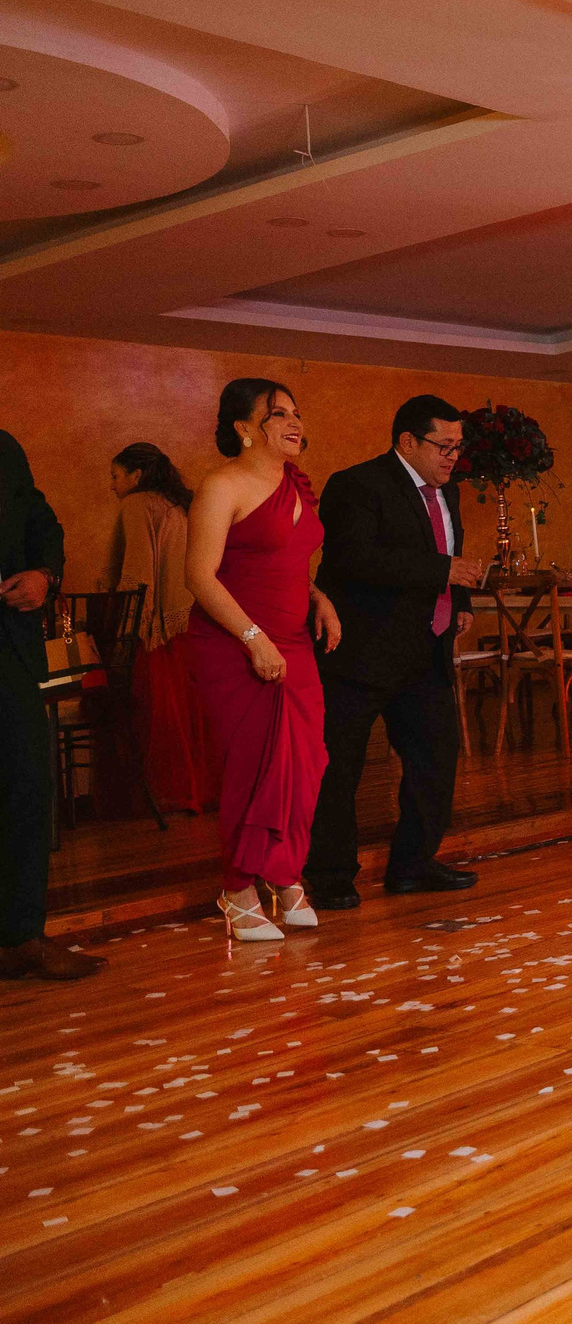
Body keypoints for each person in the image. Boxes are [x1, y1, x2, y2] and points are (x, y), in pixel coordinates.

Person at [311, 394, 481, 906]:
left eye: (458, 446)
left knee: (435, 757)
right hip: (359, 650)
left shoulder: (445, 493)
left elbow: (447, 550)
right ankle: (331, 874)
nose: (453, 456)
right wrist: (442, 574)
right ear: (407, 441)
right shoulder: (356, 485)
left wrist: (461, 598)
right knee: (340, 768)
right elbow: (356, 557)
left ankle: (412, 864)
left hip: (423, 651)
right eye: (443, 445)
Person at [188, 381, 341, 940]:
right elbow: (199, 576)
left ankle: (283, 872)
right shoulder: (221, 485)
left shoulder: (296, 485)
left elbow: (289, 562)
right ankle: (236, 887)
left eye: (297, 413)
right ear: (245, 428)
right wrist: (254, 639)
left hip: (293, 640)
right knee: (257, 767)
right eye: (278, 414)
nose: (294, 422)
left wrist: (318, 599)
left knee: (306, 763)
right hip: (235, 643)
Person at [0, 430, 89, 979]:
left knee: (29, 785)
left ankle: (20, 937)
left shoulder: (5, 447)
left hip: (8, 645)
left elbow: (42, 524)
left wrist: (44, 574)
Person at [107, 441, 220, 811]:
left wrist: (124, 628)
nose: (112, 484)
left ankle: (167, 796)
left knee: (158, 715)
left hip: (156, 628)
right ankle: (201, 791)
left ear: (136, 476)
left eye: (115, 475)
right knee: (192, 716)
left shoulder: (137, 504)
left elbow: (138, 577)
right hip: (190, 622)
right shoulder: (180, 505)